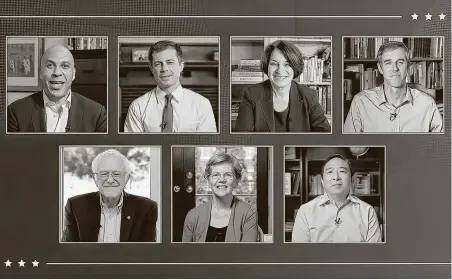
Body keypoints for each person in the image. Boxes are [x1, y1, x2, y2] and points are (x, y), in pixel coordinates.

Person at [344, 41, 443, 133]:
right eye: (388, 63)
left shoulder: (427, 104)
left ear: (408, 67)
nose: (395, 68)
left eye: (400, 62)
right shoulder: (361, 102)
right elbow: (350, 148)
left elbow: (440, 147)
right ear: (380, 68)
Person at [62, 149, 158, 242]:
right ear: (95, 178)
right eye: (104, 174)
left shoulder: (146, 208)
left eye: (116, 174)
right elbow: (67, 253)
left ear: (126, 178)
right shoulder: (75, 206)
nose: (110, 180)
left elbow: (147, 255)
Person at [234, 40, 331, 132]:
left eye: (287, 64)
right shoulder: (251, 94)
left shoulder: (309, 95)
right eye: (274, 64)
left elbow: (325, 134)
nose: (280, 70)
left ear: (295, 67)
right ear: (266, 66)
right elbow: (243, 138)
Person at [7, 44, 107, 133]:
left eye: (65, 66)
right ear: (41, 73)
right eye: (50, 65)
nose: (57, 72)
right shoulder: (16, 112)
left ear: (73, 74)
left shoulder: (97, 114)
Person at [124, 40, 217, 133]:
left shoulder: (201, 104)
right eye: (158, 64)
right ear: (152, 69)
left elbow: (207, 146)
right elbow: (133, 147)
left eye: (170, 62)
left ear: (181, 66)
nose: (164, 69)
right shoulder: (137, 107)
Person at [292, 154, 381, 243]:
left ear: (352, 180)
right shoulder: (305, 211)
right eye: (330, 172)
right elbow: (300, 253)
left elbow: (374, 254)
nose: (336, 177)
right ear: (322, 181)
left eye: (342, 171)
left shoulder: (368, 211)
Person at [182, 152, 258, 242]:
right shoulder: (193, 215)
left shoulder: (248, 213)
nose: (221, 180)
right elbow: (186, 254)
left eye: (228, 175)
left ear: (237, 180)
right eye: (216, 175)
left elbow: (247, 255)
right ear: (208, 179)